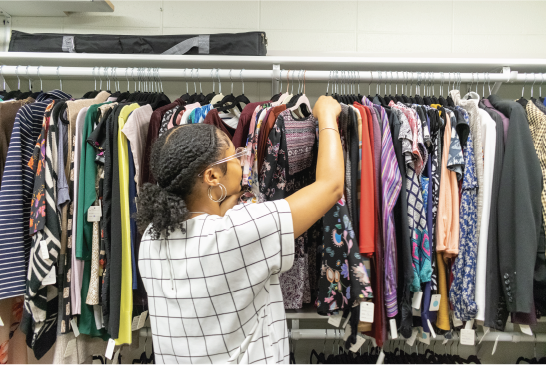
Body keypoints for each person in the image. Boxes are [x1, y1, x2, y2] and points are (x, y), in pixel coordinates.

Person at [137, 96, 344, 364]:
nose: (242, 162)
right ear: (212, 176)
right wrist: (327, 115)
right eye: (234, 155)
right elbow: (331, 185)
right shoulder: (236, 233)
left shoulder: (152, 237)